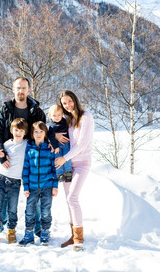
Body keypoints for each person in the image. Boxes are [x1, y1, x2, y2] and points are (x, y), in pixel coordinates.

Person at [0, 76, 46, 239]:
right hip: (9, 159)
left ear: (28, 90)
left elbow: (43, 133)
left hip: (31, 160)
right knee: (2, 198)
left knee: (34, 194)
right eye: (18, 88)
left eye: (24, 88)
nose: (21, 91)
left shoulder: (36, 111)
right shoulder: (6, 109)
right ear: (13, 89)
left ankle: (37, 228)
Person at [54, 90, 94, 251]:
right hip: (67, 166)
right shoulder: (68, 120)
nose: (68, 105)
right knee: (68, 199)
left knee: (73, 197)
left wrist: (65, 157)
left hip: (82, 163)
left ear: (75, 100)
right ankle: (73, 235)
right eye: (64, 103)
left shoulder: (86, 117)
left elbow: (82, 144)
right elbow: (54, 129)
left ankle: (78, 238)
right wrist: (55, 136)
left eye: (69, 101)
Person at [0, 118, 28, 244]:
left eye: (21, 130)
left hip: (15, 182)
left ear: (25, 132)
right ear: (11, 130)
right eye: (16, 130)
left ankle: (11, 230)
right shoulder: (6, 144)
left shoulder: (27, 144)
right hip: (1, 179)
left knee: (12, 209)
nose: (18, 133)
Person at [19, 121, 59, 246]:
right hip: (32, 187)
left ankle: (45, 232)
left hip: (47, 186)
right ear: (32, 133)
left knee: (45, 210)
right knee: (29, 211)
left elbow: (55, 169)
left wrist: (55, 186)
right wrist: (26, 186)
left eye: (41, 131)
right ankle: (29, 233)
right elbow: (25, 169)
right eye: (36, 131)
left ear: (45, 133)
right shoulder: (29, 149)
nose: (38, 134)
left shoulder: (50, 148)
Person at [47, 104, 72, 182]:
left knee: (67, 158)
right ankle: (59, 174)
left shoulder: (65, 121)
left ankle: (68, 172)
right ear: (50, 116)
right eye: (54, 115)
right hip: (57, 146)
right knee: (57, 159)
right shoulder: (51, 126)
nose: (57, 117)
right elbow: (50, 137)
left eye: (59, 115)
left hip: (66, 144)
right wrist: (55, 147)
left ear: (62, 115)